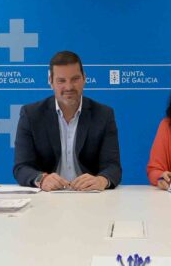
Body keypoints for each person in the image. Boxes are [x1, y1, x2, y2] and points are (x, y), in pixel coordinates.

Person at [13, 51, 122, 191]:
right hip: (47, 196)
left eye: (75, 79)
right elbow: (21, 167)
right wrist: (42, 179)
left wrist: (101, 181)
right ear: (50, 81)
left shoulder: (104, 114)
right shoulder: (31, 114)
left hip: (90, 196)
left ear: (84, 78)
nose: (69, 87)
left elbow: (113, 167)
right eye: (61, 81)